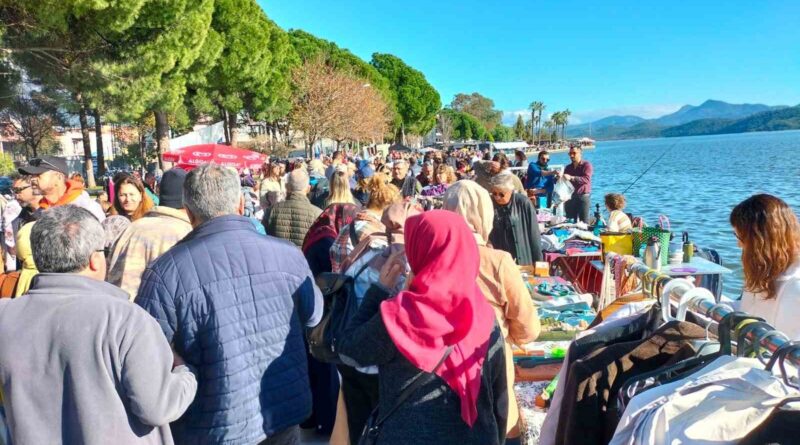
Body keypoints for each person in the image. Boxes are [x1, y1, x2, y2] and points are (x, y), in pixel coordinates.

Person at [137, 164, 323, 444]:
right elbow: (314, 316)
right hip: (278, 411)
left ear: (188, 212)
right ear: (240, 204)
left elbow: (144, 358)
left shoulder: (166, 272)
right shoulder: (288, 256)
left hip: (213, 424)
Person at [0, 205, 197, 444]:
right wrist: (186, 373)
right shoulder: (126, 320)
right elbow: (157, 406)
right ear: (95, 260)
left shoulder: (6, 314)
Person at [337, 210, 508, 445]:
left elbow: (349, 350)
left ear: (422, 251)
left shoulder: (402, 315)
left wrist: (379, 289)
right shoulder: (484, 315)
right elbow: (499, 397)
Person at [442, 180, 540, 442]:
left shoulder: (427, 258)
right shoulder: (498, 261)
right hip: (490, 368)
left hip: (440, 375)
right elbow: (528, 328)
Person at [107, 168, 193, 300]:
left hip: (121, 311)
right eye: (123, 195)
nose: (127, 199)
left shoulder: (132, 229)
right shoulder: (186, 234)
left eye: (131, 194)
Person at [730, 194, 800, 339]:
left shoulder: (795, 286)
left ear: (759, 241)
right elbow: (750, 310)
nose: (738, 244)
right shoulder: (765, 270)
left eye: (740, 237)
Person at [330, 175, 401, 273]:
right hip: (359, 286)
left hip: (339, 285)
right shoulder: (377, 234)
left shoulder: (347, 227)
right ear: (389, 209)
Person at [19, 156, 105, 221]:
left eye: (38, 174)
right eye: (31, 175)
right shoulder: (39, 213)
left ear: (59, 177)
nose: (32, 179)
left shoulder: (86, 207)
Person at [488, 173, 543, 266]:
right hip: (500, 260)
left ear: (511, 191)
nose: (497, 197)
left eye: (501, 194)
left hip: (522, 259)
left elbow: (534, 235)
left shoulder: (523, 203)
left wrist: (539, 263)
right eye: (494, 193)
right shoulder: (489, 204)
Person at [263, 169, 323, 247]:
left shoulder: (271, 211)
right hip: (303, 258)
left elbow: (265, 238)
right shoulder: (318, 215)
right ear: (308, 188)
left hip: (278, 257)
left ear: (286, 186)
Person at [560, 146, 593, 223]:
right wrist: (558, 177)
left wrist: (572, 178)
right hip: (570, 198)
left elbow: (586, 179)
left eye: (574, 153)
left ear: (580, 153)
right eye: (570, 153)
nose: (571, 155)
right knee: (570, 222)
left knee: (584, 222)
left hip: (583, 197)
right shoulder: (568, 168)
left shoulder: (586, 165)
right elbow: (563, 182)